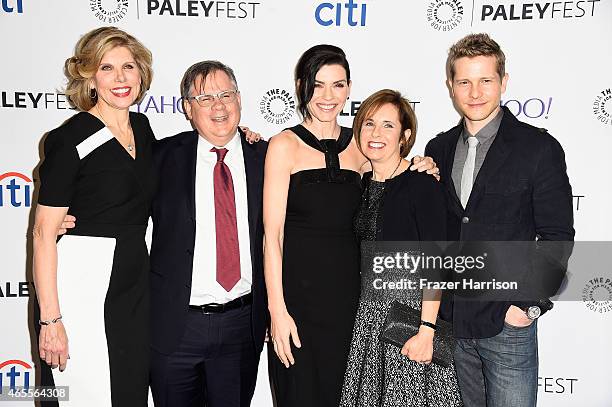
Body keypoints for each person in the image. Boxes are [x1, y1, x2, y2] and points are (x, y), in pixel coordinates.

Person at [264, 45, 438, 407]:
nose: (328, 96)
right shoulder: (283, 145)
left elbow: (395, 181)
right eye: (318, 84)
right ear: (301, 86)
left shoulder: (361, 146)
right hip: (297, 303)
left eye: (338, 85)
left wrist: (424, 167)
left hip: (352, 305)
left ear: (349, 89)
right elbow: (273, 236)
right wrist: (277, 312)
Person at [424, 33, 574, 406]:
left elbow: (557, 236)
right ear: (450, 86)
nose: (475, 92)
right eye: (464, 82)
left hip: (507, 326)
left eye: (486, 80)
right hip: (452, 325)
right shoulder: (437, 149)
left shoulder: (538, 148)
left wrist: (528, 305)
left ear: (503, 82)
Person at [33, 27, 154, 406]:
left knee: (129, 391)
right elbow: (42, 235)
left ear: (141, 74)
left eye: (128, 67)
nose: (120, 79)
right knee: (80, 394)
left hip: (133, 282)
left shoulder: (145, 130)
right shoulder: (69, 139)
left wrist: (240, 137)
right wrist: (50, 321)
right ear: (90, 77)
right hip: (82, 282)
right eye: (107, 68)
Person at [148, 60, 268, 407]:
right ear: (187, 108)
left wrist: (410, 166)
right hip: (175, 327)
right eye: (204, 98)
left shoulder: (268, 155)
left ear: (240, 99)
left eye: (226, 94)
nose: (218, 105)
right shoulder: (160, 157)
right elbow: (119, 204)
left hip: (241, 327)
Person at [340, 89, 463, 407]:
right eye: (368, 124)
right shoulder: (361, 182)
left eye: (388, 125)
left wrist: (427, 331)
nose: (376, 133)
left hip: (408, 319)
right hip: (368, 317)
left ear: (405, 135)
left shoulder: (422, 183)